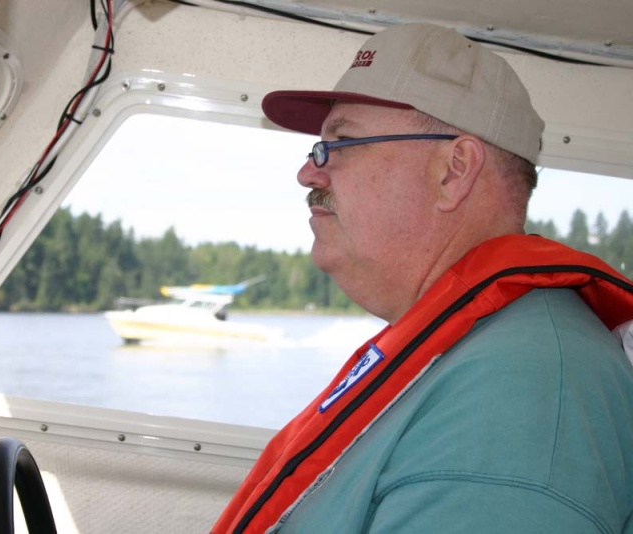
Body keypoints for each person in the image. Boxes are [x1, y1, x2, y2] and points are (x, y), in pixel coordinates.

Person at [212, 22, 633, 533]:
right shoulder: (481, 354)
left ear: (454, 171)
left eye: (341, 143)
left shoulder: (521, 397)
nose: (309, 172)